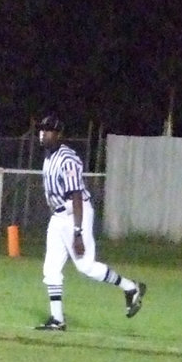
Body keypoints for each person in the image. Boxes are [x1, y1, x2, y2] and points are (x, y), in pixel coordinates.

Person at [33, 115, 145, 331]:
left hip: (75, 213)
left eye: (48, 130)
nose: (43, 134)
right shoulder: (49, 156)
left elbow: (75, 195)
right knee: (51, 268)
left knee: (86, 266)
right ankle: (57, 320)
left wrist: (77, 232)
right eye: (42, 130)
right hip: (58, 216)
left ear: (58, 134)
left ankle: (131, 288)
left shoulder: (67, 158)